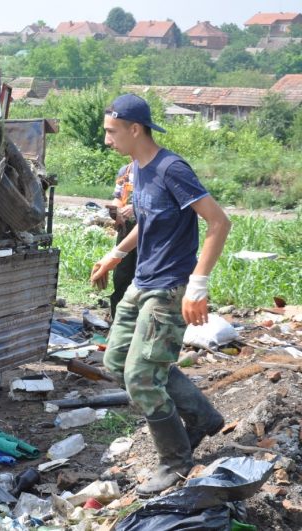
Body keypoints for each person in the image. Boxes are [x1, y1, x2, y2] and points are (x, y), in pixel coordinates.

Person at [89, 94, 230, 496]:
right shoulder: (138, 168)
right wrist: (115, 255)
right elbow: (146, 221)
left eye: (111, 132)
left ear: (136, 129)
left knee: (141, 377)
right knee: (118, 362)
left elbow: (219, 223)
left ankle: (175, 461)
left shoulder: (172, 169)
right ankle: (201, 417)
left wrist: (198, 285)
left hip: (169, 288)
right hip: (142, 283)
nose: (106, 140)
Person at [108, 161, 136, 319]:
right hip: (126, 231)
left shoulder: (155, 170)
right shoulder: (125, 171)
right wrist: (116, 211)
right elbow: (118, 197)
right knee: (121, 276)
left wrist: (135, 208)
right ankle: (117, 324)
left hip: (148, 234)